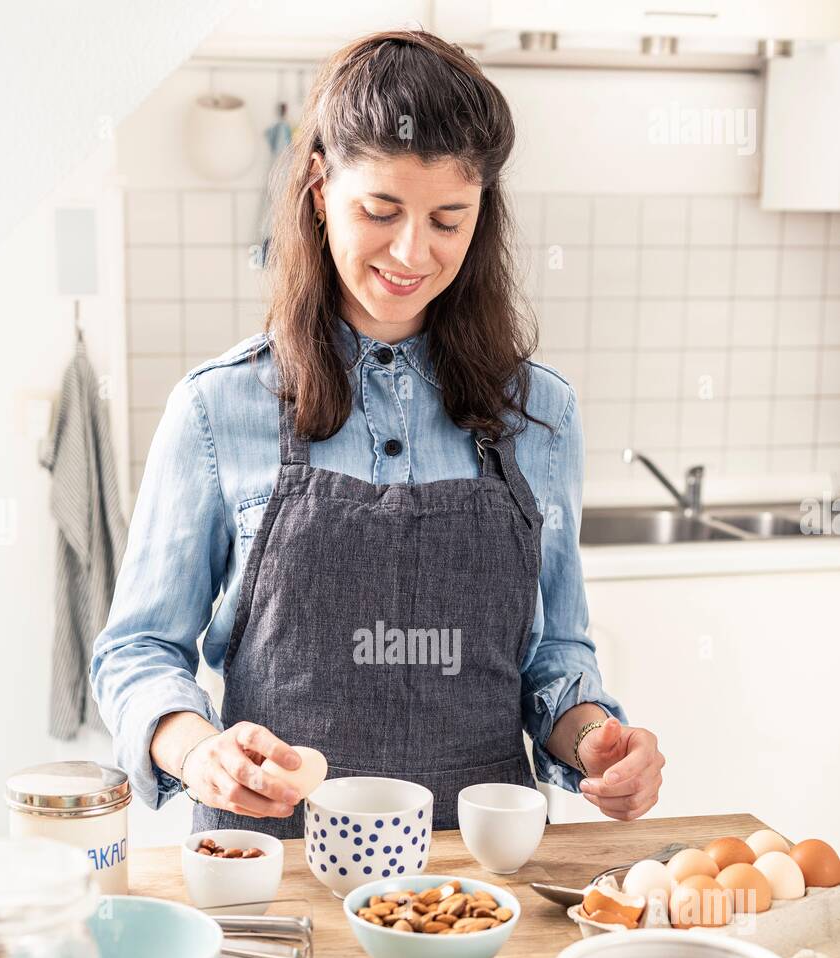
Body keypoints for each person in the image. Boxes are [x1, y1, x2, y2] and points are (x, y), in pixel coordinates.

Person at [91, 30, 665, 836]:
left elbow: (554, 658)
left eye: (448, 220)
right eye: (381, 210)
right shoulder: (218, 409)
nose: (411, 252)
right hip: (274, 880)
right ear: (321, 189)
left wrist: (597, 740)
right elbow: (136, 652)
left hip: (477, 883)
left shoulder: (541, 415)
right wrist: (197, 752)